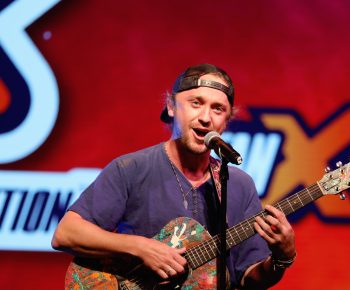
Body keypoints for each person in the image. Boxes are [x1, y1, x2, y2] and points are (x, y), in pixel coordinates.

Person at [52, 63, 296, 289]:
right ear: (171, 107)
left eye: (218, 109)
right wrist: (141, 248)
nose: (205, 117)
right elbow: (66, 233)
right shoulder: (132, 168)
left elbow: (248, 279)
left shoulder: (239, 184)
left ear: (227, 120)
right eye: (196, 103)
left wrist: (281, 258)